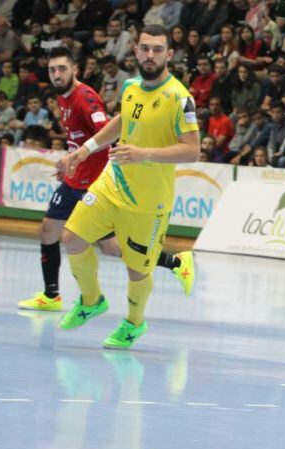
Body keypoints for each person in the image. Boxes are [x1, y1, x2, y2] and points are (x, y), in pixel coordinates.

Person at [55, 24, 201, 349]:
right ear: (136, 50)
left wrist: (144, 153)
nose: (150, 55)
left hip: (149, 202)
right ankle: (91, 301)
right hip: (113, 183)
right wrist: (83, 151)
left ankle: (134, 324)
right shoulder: (132, 86)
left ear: (170, 54)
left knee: (136, 270)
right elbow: (122, 121)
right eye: (145, 48)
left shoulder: (180, 98)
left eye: (157, 50)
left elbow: (193, 150)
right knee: (72, 238)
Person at [17, 46, 195, 312]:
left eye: (62, 68)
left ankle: (176, 263)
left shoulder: (84, 99)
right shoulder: (63, 98)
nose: (56, 74)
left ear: (74, 69)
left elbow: (107, 133)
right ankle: (52, 295)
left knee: (112, 248)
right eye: (52, 70)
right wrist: (71, 161)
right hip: (74, 180)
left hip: (94, 182)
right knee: (48, 230)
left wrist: (110, 161)